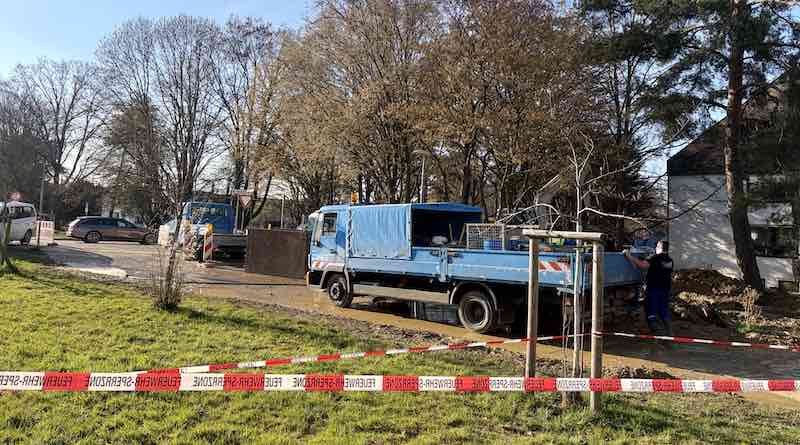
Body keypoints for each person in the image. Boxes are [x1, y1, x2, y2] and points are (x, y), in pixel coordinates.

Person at [624, 240, 674, 336]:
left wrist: (628, 255)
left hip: (654, 289)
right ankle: (669, 333)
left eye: (656, 247)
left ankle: (658, 335)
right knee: (663, 310)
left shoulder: (655, 258)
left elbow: (643, 265)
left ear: (659, 248)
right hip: (665, 289)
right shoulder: (670, 260)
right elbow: (659, 268)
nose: (655, 248)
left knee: (651, 310)